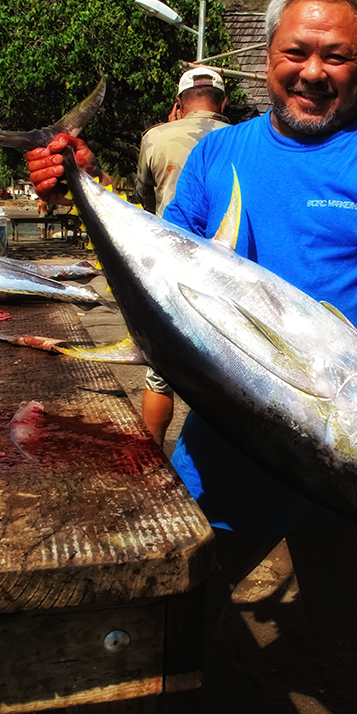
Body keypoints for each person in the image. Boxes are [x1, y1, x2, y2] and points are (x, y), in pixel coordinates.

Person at [26, 0, 357, 714]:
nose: (313, 71)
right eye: (295, 53)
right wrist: (80, 188)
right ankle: (164, 713)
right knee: (184, 591)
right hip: (229, 428)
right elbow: (168, 268)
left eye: (335, 56)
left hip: (346, 434)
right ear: (266, 58)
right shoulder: (218, 153)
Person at [135, 66, 230, 446]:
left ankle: (150, 457)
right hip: (222, 272)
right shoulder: (239, 139)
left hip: (165, 268)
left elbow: (144, 198)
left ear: (178, 104)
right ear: (223, 102)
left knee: (160, 372)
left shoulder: (155, 138)